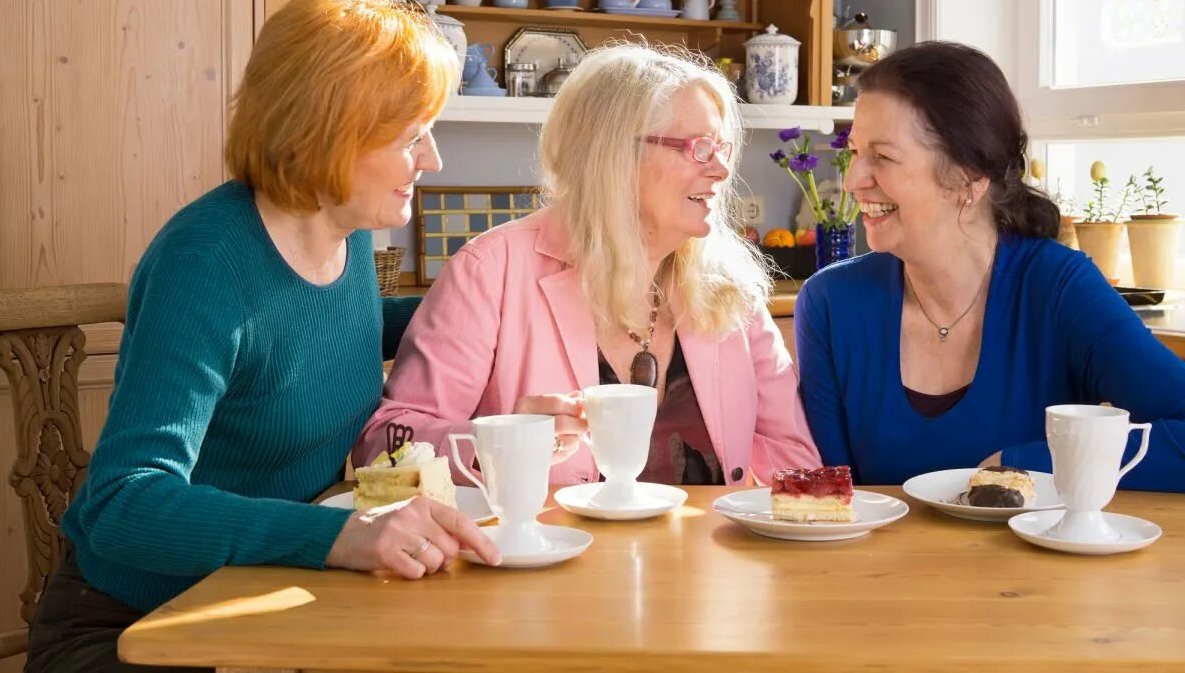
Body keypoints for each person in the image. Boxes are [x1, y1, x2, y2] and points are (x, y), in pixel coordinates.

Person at [27, 0, 500, 673]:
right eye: (410, 137)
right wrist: (337, 536)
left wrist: (497, 309)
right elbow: (123, 502)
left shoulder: (347, 232)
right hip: (138, 624)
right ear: (331, 131)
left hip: (262, 598)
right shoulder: (206, 265)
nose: (432, 160)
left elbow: (341, 333)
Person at [354, 44, 819, 487]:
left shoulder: (732, 284)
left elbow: (794, 461)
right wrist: (500, 441)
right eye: (699, 147)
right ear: (612, 154)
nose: (720, 170)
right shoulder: (490, 270)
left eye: (724, 148)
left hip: (704, 564)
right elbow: (384, 446)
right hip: (544, 563)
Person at [795, 40, 1185, 489]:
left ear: (968, 178)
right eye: (855, 151)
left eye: (882, 157)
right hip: (876, 562)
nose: (852, 180)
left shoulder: (1058, 288)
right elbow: (832, 500)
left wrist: (1025, 463)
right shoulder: (829, 303)